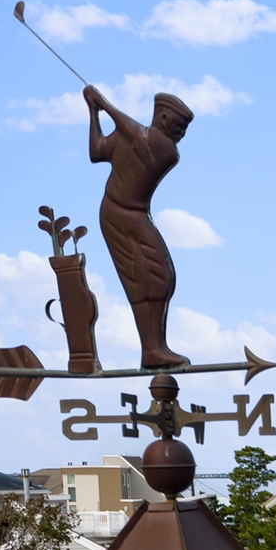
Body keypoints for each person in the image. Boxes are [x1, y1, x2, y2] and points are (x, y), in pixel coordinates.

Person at [85, 86, 192, 370]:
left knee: (161, 278)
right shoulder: (131, 134)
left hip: (130, 215)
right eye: (178, 125)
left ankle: (154, 348)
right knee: (151, 277)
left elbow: (137, 135)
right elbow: (97, 152)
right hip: (119, 214)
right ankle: (152, 349)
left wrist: (103, 104)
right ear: (165, 118)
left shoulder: (166, 150)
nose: (180, 133)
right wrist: (94, 112)